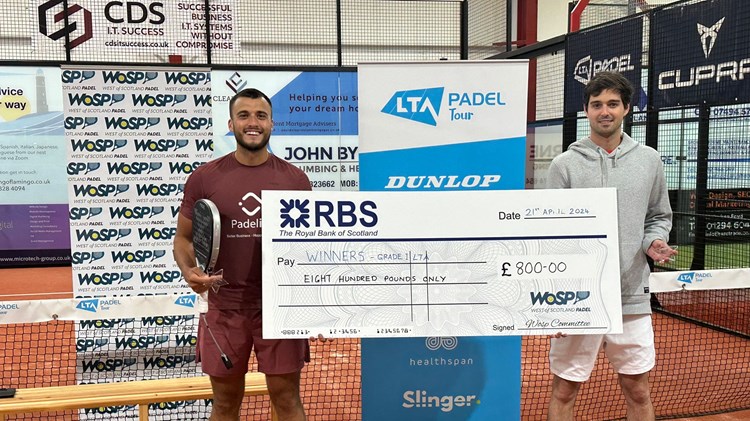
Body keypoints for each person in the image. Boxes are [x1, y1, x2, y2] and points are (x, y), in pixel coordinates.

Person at [173, 88, 316, 421]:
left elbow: (308, 246)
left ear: (272, 124)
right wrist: (188, 269)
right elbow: (183, 239)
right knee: (224, 403)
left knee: (287, 398)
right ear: (231, 123)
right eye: (244, 115)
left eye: (261, 116)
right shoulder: (204, 178)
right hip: (224, 310)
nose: (253, 123)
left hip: (280, 310)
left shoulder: (296, 180)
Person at [545, 71, 677, 421]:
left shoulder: (649, 160)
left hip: (631, 295)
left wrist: (654, 242)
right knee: (564, 390)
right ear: (586, 110)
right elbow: (549, 236)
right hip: (576, 298)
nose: (605, 111)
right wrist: (552, 303)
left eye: (613, 104)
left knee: (637, 389)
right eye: (597, 104)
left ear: (626, 109)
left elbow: (658, 215)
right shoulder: (564, 166)